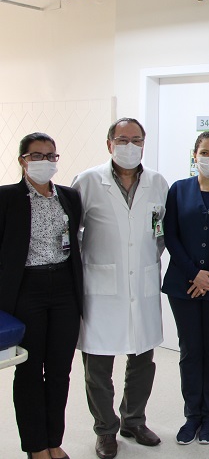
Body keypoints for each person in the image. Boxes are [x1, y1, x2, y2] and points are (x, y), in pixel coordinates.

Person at [71, 118, 169, 459]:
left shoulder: (157, 182)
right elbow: (74, 233)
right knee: (98, 367)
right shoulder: (87, 181)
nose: (130, 146)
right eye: (123, 139)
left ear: (144, 143)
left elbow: (160, 232)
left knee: (142, 360)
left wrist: (146, 260)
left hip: (142, 282)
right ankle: (105, 430)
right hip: (100, 287)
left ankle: (133, 421)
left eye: (137, 140)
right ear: (109, 143)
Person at [0, 133, 83, 459]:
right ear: (22, 160)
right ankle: (36, 446)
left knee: (60, 370)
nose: (44, 161)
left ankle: (53, 441)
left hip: (65, 289)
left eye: (51, 156)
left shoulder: (69, 197)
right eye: (36, 155)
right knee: (30, 370)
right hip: (27, 289)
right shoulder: (6, 198)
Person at [163, 132, 209, 446]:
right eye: (205, 152)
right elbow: (170, 235)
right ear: (195, 155)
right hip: (183, 285)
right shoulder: (178, 190)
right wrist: (194, 273)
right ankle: (192, 415)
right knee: (190, 350)